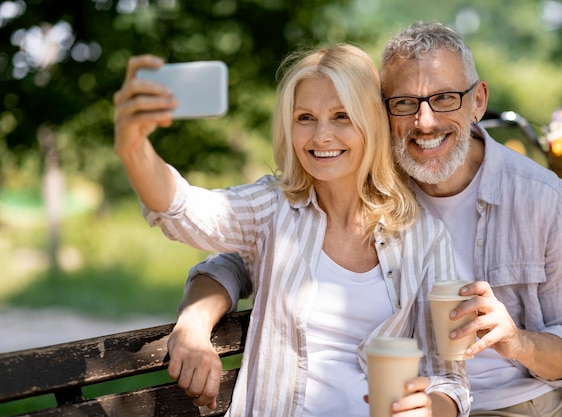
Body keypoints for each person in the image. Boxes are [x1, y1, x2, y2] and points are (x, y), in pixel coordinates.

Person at [176, 20, 562, 417]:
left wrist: (515, 340)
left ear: (477, 101)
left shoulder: (541, 197)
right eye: (405, 103)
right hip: (463, 405)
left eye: (445, 98)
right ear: (382, 112)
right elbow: (236, 259)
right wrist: (195, 324)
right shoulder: (369, 184)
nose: (425, 122)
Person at [113, 43, 470, 417]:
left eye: (341, 116)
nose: (321, 136)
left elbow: (450, 380)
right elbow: (182, 210)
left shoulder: (424, 237)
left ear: (372, 122)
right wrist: (134, 148)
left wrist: (428, 409)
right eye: (305, 118)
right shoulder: (275, 208)